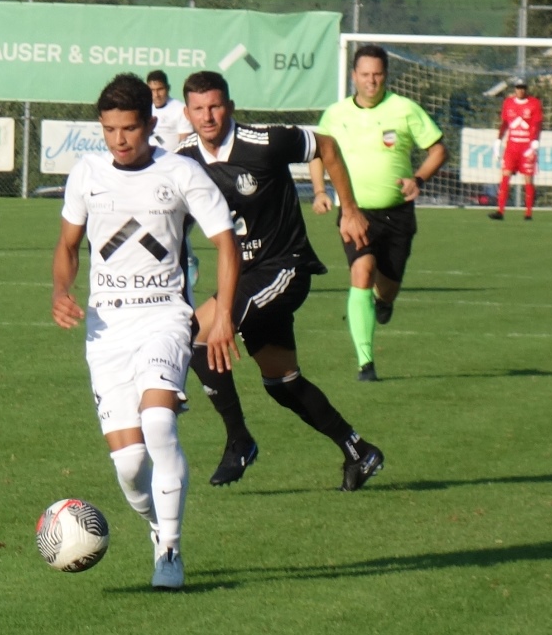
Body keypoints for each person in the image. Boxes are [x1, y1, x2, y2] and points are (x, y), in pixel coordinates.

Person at [51, 73, 240, 590]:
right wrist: (61, 290)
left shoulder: (180, 173)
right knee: (131, 466)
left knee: (158, 424)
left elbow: (226, 242)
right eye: (110, 129)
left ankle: (171, 551)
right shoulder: (87, 174)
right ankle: (158, 525)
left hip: (164, 317)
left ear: (150, 123)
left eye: (130, 129)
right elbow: (68, 245)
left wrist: (223, 312)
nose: (119, 140)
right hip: (106, 330)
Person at [176, 70, 384, 492]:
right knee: (282, 383)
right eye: (198, 109)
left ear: (230, 107)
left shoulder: (264, 142)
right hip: (244, 277)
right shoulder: (182, 159)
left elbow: (327, 145)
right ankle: (359, 450)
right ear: (187, 113)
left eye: (215, 106)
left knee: (196, 333)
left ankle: (239, 440)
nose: (208, 116)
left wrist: (349, 210)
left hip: (285, 267)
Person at [312, 44, 448, 382]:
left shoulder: (404, 109)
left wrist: (418, 179)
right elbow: (317, 154)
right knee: (362, 271)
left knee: (386, 288)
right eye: (365, 74)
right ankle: (365, 362)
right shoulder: (335, 115)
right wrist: (319, 192)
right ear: (353, 76)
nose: (371, 81)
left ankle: (383, 302)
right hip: (354, 212)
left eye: (377, 74)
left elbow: (438, 150)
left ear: (385, 75)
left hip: (398, 214)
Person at [146, 70, 200, 285]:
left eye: (159, 89)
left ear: (167, 89)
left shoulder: (178, 109)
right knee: (152, 222)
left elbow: (184, 144)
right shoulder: (144, 108)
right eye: (152, 90)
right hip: (149, 174)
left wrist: (173, 168)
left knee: (174, 222)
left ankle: (188, 259)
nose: (156, 94)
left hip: (171, 174)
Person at [490, 76, 543, 221]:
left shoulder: (534, 103)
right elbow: (505, 123)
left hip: (526, 148)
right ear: (515, 89)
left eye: (523, 88)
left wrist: (535, 141)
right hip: (512, 147)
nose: (521, 90)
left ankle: (528, 213)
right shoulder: (508, 103)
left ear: (526, 89)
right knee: (505, 176)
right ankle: (500, 211)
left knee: (528, 180)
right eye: (518, 87)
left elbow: (537, 123)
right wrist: (498, 140)